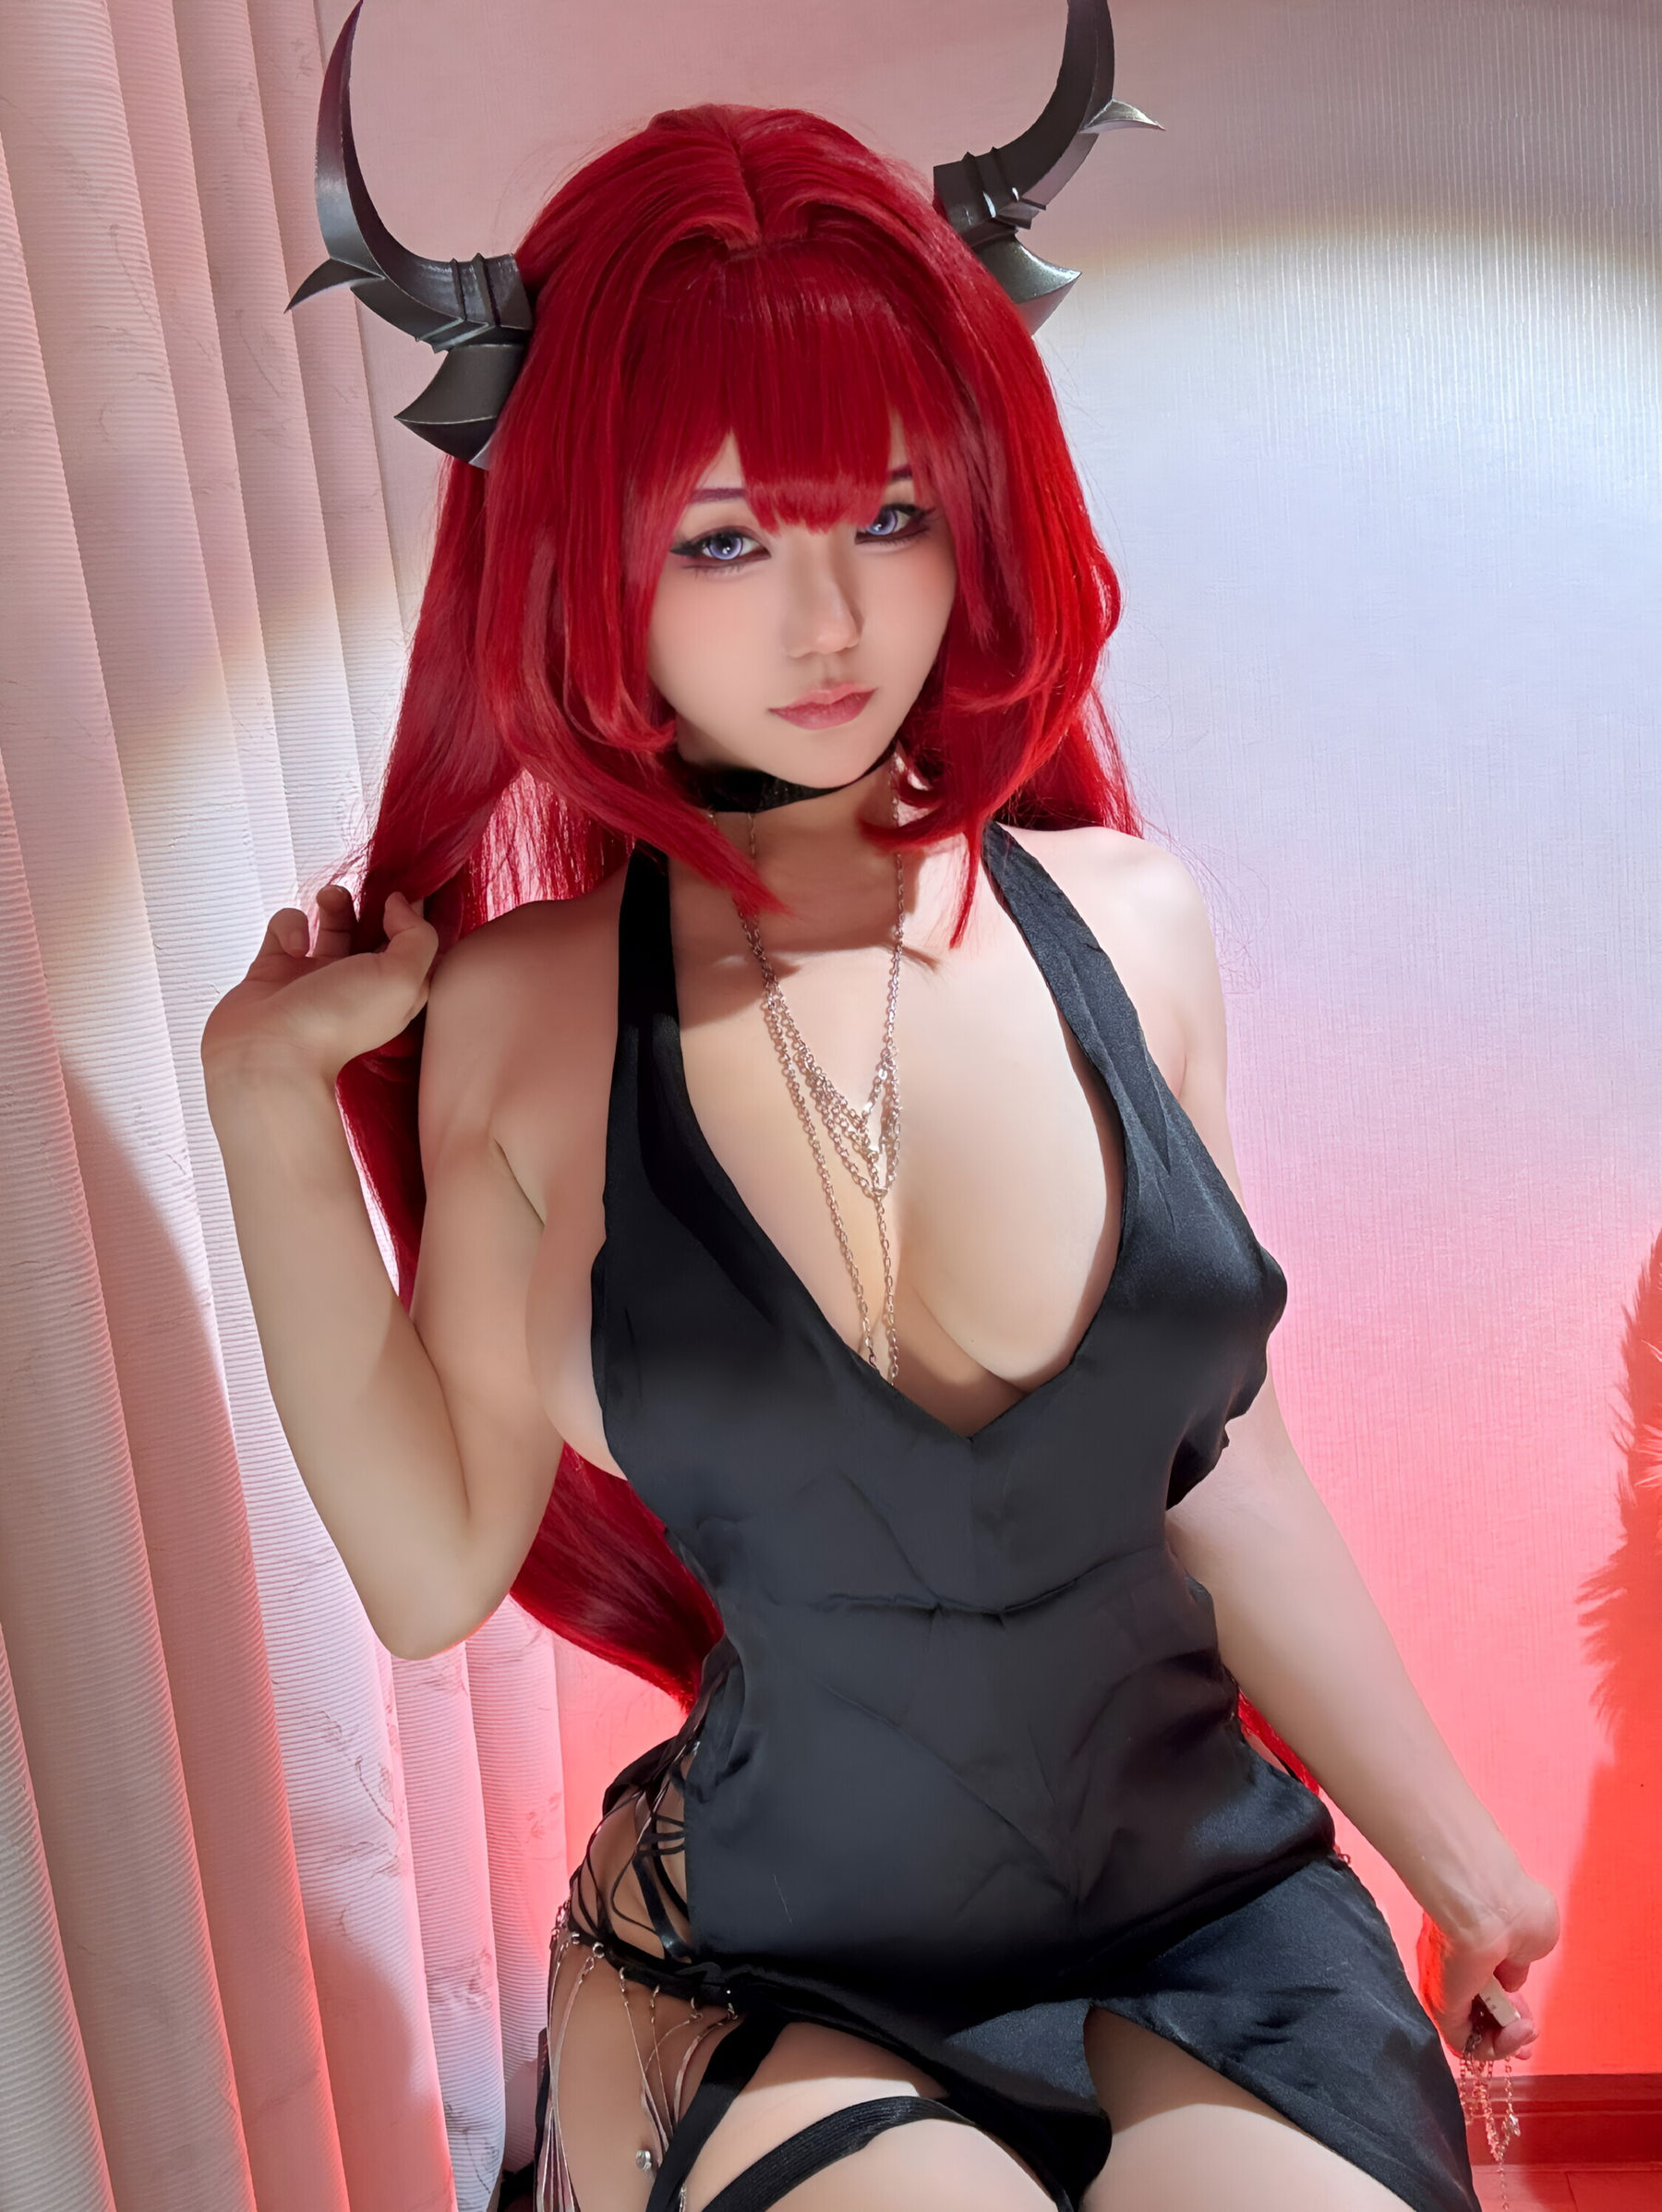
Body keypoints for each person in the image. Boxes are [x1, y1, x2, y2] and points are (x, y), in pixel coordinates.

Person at [202, 7, 1559, 2208]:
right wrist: (267, 1114)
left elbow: (1229, 1469)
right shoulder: (528, 1020)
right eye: (727, 540)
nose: (834, 618)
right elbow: (437, 1560)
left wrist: (1467, 1861)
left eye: (893, 513)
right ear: (588, 561)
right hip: (800, 1962)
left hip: (1214, 1919)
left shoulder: (1134, 927)